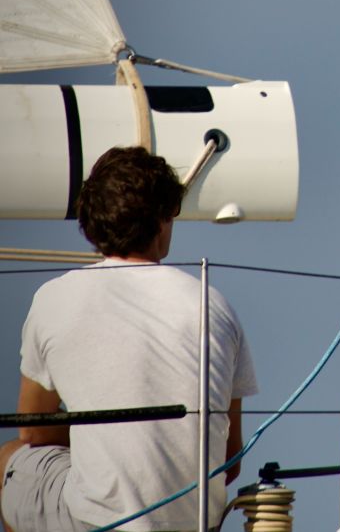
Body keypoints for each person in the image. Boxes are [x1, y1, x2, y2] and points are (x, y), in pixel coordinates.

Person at [0, 146, 259, 532]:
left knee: (8, 461)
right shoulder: (213, 304)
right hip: (196, 523)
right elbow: (229, 457)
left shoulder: (54, 298)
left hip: (96, 521)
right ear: (162, 218)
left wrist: (105, 434)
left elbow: (34, 430)